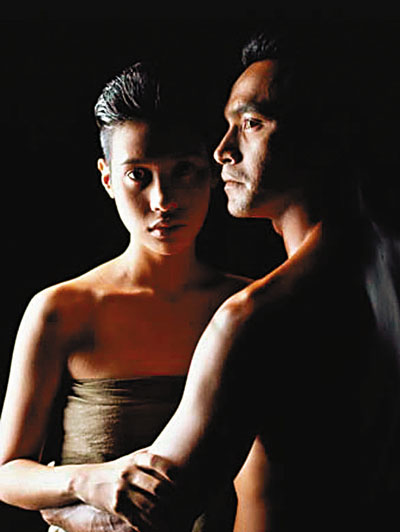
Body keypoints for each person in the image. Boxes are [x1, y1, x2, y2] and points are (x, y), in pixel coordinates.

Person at [39, 26, 400, 532]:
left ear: (324, 137)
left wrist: (58, 503)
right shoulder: (385, 264)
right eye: (228, 126)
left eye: (251, 123)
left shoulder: (252, 319)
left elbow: (152, 510)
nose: (223, 151)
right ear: (108, 178)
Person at [0, 60, 252, 532]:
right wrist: (88, 481)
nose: (163, 200)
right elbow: (7, 473)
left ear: (212, 172)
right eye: (138, 175)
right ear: (108, 179)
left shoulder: (247, 307)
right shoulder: (62, 311)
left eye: (183, 171)